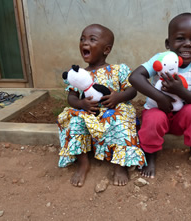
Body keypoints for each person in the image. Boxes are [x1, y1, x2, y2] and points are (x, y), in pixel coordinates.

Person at [57, 24, 146, 187]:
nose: (85, 43)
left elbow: (132, 90)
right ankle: (83, 163)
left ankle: (120, 165)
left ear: (106, 49)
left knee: (122, 122)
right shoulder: (79, 74)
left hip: (114, 110)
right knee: (75, 122)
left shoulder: (118, 69)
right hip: (89, 112)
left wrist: (118, 97)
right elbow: (71, 97)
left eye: (92, 39)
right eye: (82, 39)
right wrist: (81, 104)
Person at [129, 13, 191, 178]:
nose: (188, 44)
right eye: (180, 38)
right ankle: (151, 155)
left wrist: (180, 91)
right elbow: (135, 77)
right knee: (152, 119)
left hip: (181, 118)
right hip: (158, 113)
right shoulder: (160, 59)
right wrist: (160, 98)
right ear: (168, 43)